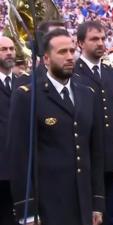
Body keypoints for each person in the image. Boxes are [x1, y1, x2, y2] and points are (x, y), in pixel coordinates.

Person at [8, 29, 104, 225]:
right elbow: (19, 157)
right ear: (46, 58)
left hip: (83, 202)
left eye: (71, 51)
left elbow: (95, 153)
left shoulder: (87, 93)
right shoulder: (28, 96)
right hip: (48, 203)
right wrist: (27, 211)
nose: (69, 57)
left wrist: (97, 203)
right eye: (62, 52)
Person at [73, 21, 113, 225]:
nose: (100, 43)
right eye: (94, 39)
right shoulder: (73, 73)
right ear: (80, 43)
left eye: (102, 38)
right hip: (87, 160)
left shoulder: (112, 74)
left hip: (112, 157)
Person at [0, 36, 25, 225]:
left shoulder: (23, 84)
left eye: (11, 48)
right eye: (3, 49)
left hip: (19, 168)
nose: (9, 52)